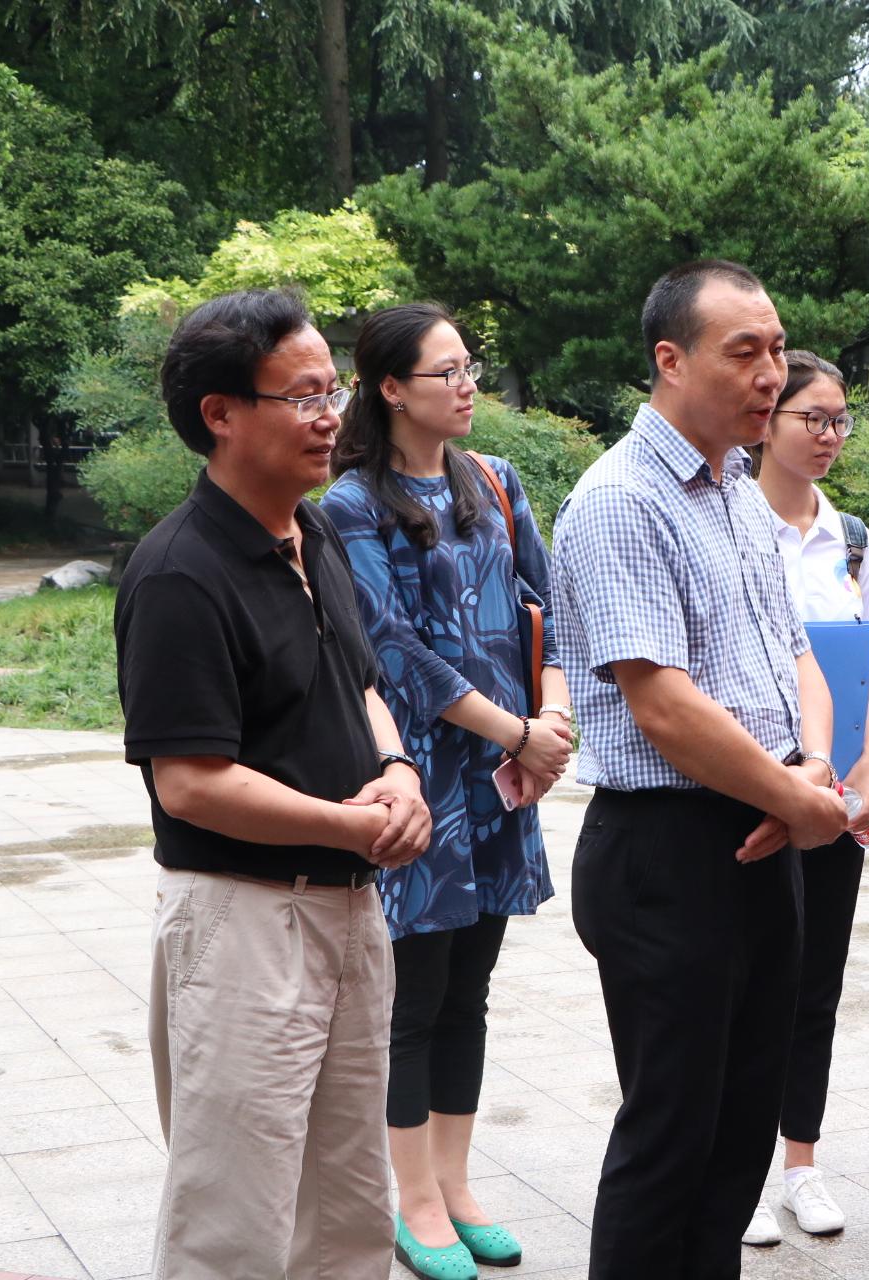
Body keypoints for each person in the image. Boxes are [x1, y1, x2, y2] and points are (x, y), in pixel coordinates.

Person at [114, 287, 434, 1280]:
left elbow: (361, 684)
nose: (330, 415)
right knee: (235, 1218)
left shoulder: (312, 533)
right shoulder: (179, 572)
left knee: (347, 1207)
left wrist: (397, 771)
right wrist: (348, 823)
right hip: (245, 921)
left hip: (349, 909)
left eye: (332, 390)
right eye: (302, 396)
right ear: (221, 413)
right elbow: (190, 783)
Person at [549, 259, 851, 1280]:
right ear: (670, 360)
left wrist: (812, 772)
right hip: (668, 852)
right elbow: (662, 704)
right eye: (745, 351)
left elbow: (796, 652)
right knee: (671, 1138)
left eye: (778, 348)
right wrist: (795, 798)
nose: (772, 373)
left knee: (739, 1131)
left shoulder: (737, 491)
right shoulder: (620, 499)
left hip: (764, 831)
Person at [319, 303, 574, 1280]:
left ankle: (458, 1186)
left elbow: (548, 606)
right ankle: (414, 1198)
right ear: (390, 387)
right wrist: (517, 731)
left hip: (506, 777)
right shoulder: (350, 506)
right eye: (447, 371)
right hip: (421, 777)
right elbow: (389, 649)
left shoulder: (496, 481)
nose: (468, 386)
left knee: (472, 989)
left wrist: (551, 718)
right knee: (415, 998)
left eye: (471, 367)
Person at [740, 350, 869, 1247]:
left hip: (832, 792)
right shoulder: (732, 522)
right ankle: (739, 1171)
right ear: (767, 422)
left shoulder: (853, 540)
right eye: (813, 418)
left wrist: (868, 771)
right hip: (749, 782)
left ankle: (801, 1163)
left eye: (840, 420)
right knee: (746, 983)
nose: (830, 435)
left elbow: (867, 667)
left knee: (815, 982)